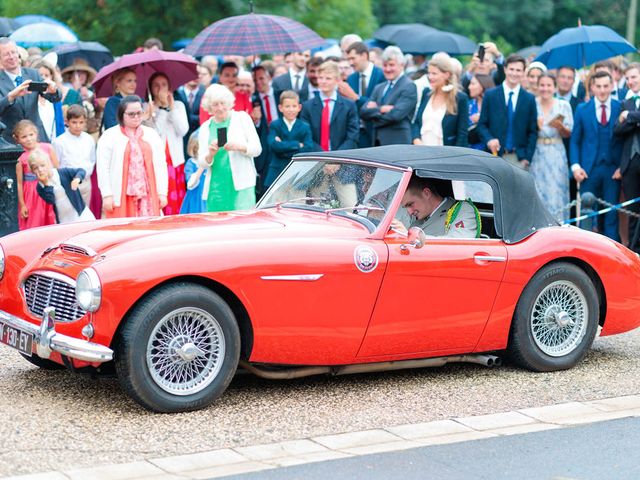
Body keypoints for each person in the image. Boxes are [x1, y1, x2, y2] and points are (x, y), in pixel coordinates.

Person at [97, 95, 168, 218]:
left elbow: (161, 165)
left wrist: (162, 193)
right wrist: (107, 194)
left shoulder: (151, 134)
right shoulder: (109, 136)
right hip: (121, 193)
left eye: (139, 113)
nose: (136, 117)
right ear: (121, 115)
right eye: (131, 114)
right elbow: (103, 168)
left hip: (148, 193)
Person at [570, 71, 622, 240]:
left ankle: (613, 260)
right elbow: (575, 141)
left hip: (613, 171)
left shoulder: (619, 107)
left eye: (606, 86)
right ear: (592, 87)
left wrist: (622, 166)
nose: (602, 90)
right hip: (588, 171)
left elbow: (625, 140)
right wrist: (576, 167)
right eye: (598, 86)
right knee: (587, 217)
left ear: (612, 86)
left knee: (611, 216)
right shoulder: (582, 109)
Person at [197, 84, 262, 212]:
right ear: (209, 107)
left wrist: (240, 147)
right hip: (216, 187)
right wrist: (210, 154)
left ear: (229, 102)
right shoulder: (206, 127)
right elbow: (201, 162)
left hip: (241, 185)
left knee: (242, 224)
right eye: (215, 104)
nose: (220, 108)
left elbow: (257, 149)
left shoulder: (242, 118)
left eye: (223, 103)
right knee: (218, 226)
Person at [478, 54, 538, 169]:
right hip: (494, 156)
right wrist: (489, 139)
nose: (514, 73)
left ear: (524, 72)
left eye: (518, 70)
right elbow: (482, 125)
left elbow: (533, 131)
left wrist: (527, 158)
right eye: (511, 69)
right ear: (505, 69)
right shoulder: (490, 95)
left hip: (518, 158)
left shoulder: (529, 99)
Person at [529, 73, 573, 222]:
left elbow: (568, 133)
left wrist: (560, 127)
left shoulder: (563, 105)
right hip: (537, 152)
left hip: (556, 151)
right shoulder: (532, 103)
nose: (545, 88)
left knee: (556, 191)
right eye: (542, 85)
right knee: (538, 190)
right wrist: (535, 126)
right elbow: (525, 129)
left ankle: (558, 224)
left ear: (554, 87)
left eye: (548, 85)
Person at [0, 38, 62, 144]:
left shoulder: (33, 74)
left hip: (37, 138)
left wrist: (53, 90)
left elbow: (54, 98)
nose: (11, 57)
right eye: (6, 54)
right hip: (11, 142)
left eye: (13, 52)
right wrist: (11, 97)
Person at [145, 72, 189, 216]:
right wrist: (155, 114)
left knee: (177, 197)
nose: (160, 89)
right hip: (158, 159)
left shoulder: (178, 105)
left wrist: (170, 109)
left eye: (164, 85)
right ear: (151, 89)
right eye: (156, 86)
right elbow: (153, 134)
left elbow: (182, 130)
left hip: (175, 159)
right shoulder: (147, 107)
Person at [360, 46, 417, 146]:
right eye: (385, 65)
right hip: (377, 142)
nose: (388, 69)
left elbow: (395, 115)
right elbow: (363, 112)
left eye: (391, 65)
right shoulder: (379, 87)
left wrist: (373, 116)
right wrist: (381, 109)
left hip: (397, 143)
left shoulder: (409, 86)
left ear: (402, 65)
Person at [395, 174, 480, 238]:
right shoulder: (417, 220)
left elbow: (459, 246)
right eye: (406, 207)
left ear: (426, 193)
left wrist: (410, 236)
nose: (409, 212)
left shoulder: (462, 210)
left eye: (410, 204)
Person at [300, 61, 359, 152]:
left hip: (342, 156)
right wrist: (323, 157)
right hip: (316, 156)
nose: (323, 81)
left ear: (337, 80)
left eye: (328, 78)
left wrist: (336, 157)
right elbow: (306, 136)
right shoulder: (307, 106)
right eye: (320, 78)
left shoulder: (349, 105)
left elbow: (352, 135)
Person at [412, 53, 468, 147]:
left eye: (434, 73)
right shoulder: (426, 93)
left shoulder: (460, 98)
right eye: (429, 73)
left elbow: (462, 134)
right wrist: (416, 139)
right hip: (420, 153)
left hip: (446, 155)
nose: (430, 77)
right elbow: (416, 122)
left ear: (446, 75)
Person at [52, 104, 98, 215]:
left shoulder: (89, 139)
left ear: (85, 122)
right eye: (74, 122)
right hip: (68, 182)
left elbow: (91, 160)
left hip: (85, 182)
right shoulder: (59, 142)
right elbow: (56, 164)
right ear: (67, 122)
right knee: (68, 214)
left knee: (84, 213)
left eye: (81, 122)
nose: (77, 126)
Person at [29, 148, 95, 224]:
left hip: (80, 213)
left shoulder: (62, 173)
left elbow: (81, 170)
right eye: (35, 168)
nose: (40, 170)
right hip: (63, 217)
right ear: (32, 171)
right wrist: (46, 184)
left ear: (49, 163)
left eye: (42, 165)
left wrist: (77, 179)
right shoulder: (40, 187)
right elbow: (50, 200)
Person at [339, 41, 386, 148]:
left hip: (375, 132)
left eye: (353, 58)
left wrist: (355, 97)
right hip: (356, 133)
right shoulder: (351, 78)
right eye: (348, 59)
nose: (350, 62)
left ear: (364, 55)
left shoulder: (381, 75)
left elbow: (379, 105)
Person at [13, 119, 58, 230]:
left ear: (36, 134)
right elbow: (19, 182)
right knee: (34, 222)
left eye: (31, 134)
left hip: (49, 186)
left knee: (51, 219)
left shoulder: (48, 148)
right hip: (32, 193)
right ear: (17, 139)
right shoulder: (20, 156)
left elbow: (57, 169)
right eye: (24, 137)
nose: (29, 139)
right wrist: (22, 204)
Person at [614, 63, 640, 251]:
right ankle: (633, 249)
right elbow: (618, 130)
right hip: (630, 163)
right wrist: (635, 119)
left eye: (634, 77)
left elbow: (626, 121)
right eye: (628, 78)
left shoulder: (627, 109)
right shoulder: (625, 102)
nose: (630, 81)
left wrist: (629, 116)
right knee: (632, 210)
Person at [266, 90, 314, 189]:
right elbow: (274, 146)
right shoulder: (275, 125)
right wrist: (297, 145)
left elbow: (308, 148)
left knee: (297, 201)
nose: (291, 109)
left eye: (294, 106)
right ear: (280, 108)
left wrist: (283, 147)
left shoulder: (305, 126)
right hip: (277, 171)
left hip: (298, 172)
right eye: (287, 106)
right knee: (276, 202)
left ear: (299, 107)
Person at [32, 59, 66, 140]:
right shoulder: (30, 98)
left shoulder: (55, 98)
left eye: (46, 75)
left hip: (53, 142)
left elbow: (60, 124)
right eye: (41, 75)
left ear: (52, 77)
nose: (43, 78)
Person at [179, 132, 207, 214]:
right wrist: (202, 166)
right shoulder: (191, 163)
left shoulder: (212, 161)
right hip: (196, 199)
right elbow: (190, 184)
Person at [467, 74, 495, 150]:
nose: (469, 87)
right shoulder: (469, 105)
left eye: (473, 84)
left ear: (483, 85)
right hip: (469, 149)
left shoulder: (495, 105)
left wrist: (481, 120)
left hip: (490, 150)